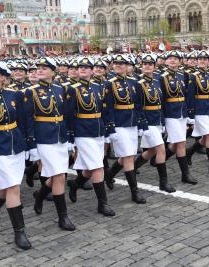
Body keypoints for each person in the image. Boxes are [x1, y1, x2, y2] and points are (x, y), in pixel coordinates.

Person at [24, 57, 75, 231]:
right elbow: (28, 120)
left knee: (55, 176)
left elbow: (66, 114)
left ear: (53, 72)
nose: (40, 70)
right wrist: (31, 144)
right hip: (43, 138)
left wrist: (69, 136)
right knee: (60, 175)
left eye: (45, 68)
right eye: (38, 68)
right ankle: (63, 217)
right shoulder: (30, 92)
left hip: (59, 136)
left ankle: (40, 196)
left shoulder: (61, 89)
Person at [66, 57, 115, 216]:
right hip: (83, 131)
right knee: (98, 167)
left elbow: (104, 109)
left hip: (98, 129)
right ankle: (103, 203)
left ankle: (75, 184)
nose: (83, 69)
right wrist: (71, 135)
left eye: (87, 67)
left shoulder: (98, 87)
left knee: (89, 168)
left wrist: (107, 130)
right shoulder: (73, 89)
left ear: (92, 70)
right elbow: (69, 114)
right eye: (80, 67)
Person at [0, 60, 32, 250]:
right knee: (13, 188)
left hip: (15, 145)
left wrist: (29, 144)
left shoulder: (14, 95)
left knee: (4, 189)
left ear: (2, 76)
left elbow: (24, 121)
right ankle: (20, 232)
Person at [104, 54, 147, 203]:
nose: (119, 65)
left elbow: (139, 105)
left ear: (127, 66)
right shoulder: (108, 83)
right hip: (119, 124)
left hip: (132, 123)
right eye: (116, 63)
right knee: (129, 157)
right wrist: (110, 128)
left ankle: (109, 175)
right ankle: (135, 192)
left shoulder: (134, 82)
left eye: (122, 63)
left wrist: (141, 123)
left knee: (126, 156)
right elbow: (107, 108)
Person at [133, 54, 176, 193]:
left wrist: (162, 121)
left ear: (154, 66)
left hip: (156, 119)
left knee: (152, 150)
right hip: (147, 121)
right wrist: (141, 123)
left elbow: (160, 103)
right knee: (161, 149)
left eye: (150, 64)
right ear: (141, 65)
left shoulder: (157, 81)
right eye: (144, 63)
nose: (147, 66)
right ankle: (163, 182)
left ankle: (130, 169)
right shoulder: (137, 83)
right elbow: (137, 106)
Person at [159, 51, 197, 184]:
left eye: (175, 58)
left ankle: (156, 160)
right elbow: (161, 99)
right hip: (170, 113)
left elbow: (187, 95)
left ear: (180, 61)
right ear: (165, 61)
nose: (172, 60)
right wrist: (162, 119)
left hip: (181, 112)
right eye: (170, 58)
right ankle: (185, 174)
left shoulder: (183, 75)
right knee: (181, 143)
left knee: (176, 143)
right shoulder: (161, 77)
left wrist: (189, 113)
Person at [186, 50, 209, 175]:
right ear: (197, 61)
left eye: (205, 59)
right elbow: (190, 96)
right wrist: (190, 114)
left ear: (208, 61)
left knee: (207, 136)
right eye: (200, 59)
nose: (202, 60)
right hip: (199, 109)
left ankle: (189, 152)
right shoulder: (193, 76)